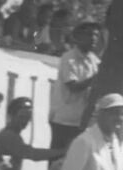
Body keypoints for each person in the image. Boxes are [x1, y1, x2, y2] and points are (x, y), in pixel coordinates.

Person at [49, 22, 101, 151]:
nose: (94, 38)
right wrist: (96, 78)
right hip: (64, 119)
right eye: (89, 34)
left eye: (96, 35)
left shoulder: (95, 60)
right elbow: (73, 87)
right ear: (78, 36)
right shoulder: (68, 58)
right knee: (58, 158)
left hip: (82, 121)